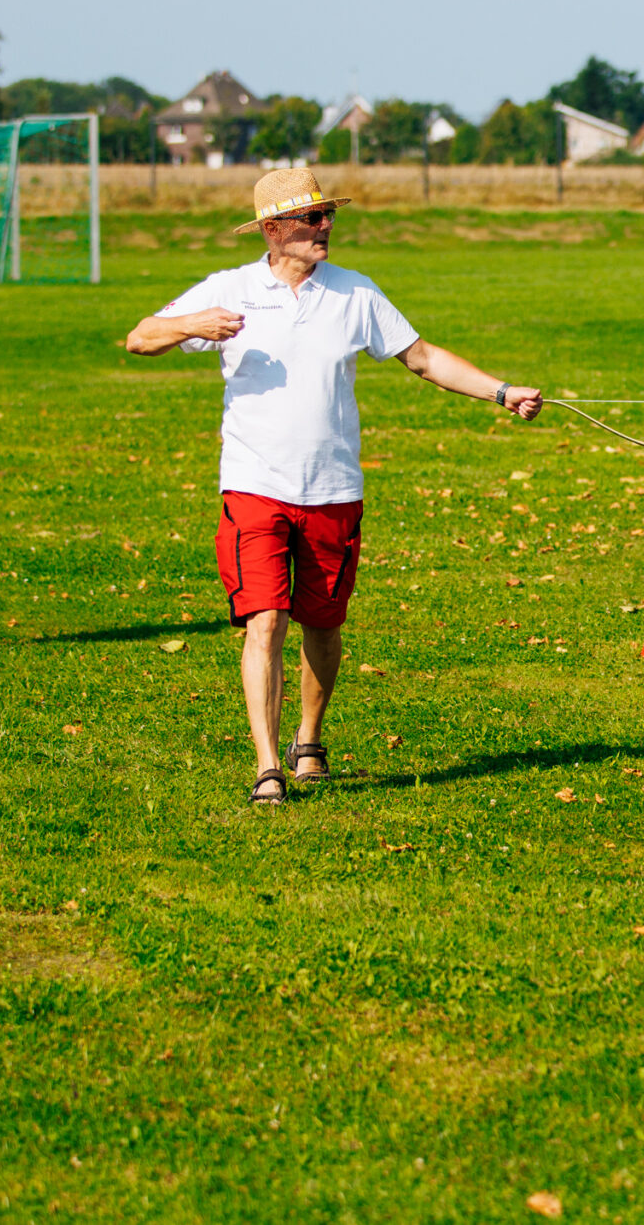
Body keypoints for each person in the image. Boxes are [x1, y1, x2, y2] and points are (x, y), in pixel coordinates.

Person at [126, 168, 542, 805]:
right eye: (311, 219)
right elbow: (139, 337)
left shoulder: (356, 294)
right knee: (265, 620)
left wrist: (502, 392)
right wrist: (191, 325)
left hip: (333, 489)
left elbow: (422, 358)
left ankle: (308, 739)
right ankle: (268, 767)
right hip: (253, 486)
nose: (326, 227)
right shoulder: (229, 289)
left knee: (322, 623)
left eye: (328, 216)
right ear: (272, 230)